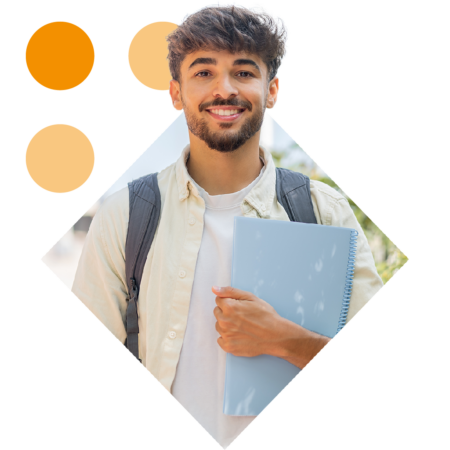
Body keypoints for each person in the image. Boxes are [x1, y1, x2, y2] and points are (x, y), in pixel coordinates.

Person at [71, 2, 384, 447]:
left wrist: (286, 340)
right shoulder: (126, 214)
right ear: (176, 93)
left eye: (243, 72)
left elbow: (384, 370)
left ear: (271, 90)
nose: (224, 89)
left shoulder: (322, 210)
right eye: (203, 72)